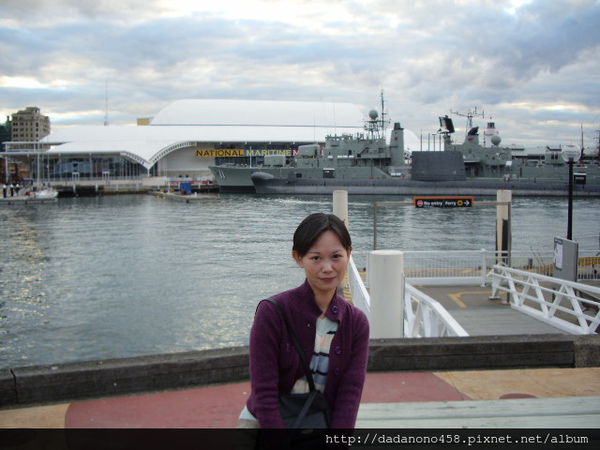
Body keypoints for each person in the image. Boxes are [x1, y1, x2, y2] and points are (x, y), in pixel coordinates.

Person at [239, 213, 370, 430]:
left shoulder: (356, 323)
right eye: (316, 258)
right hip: (265, 422)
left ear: (349, 254)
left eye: (336, 256)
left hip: (319, 421)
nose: (327, 268)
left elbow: (350, 393)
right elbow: (264, 390)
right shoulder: (272, 313)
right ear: (298, 257)